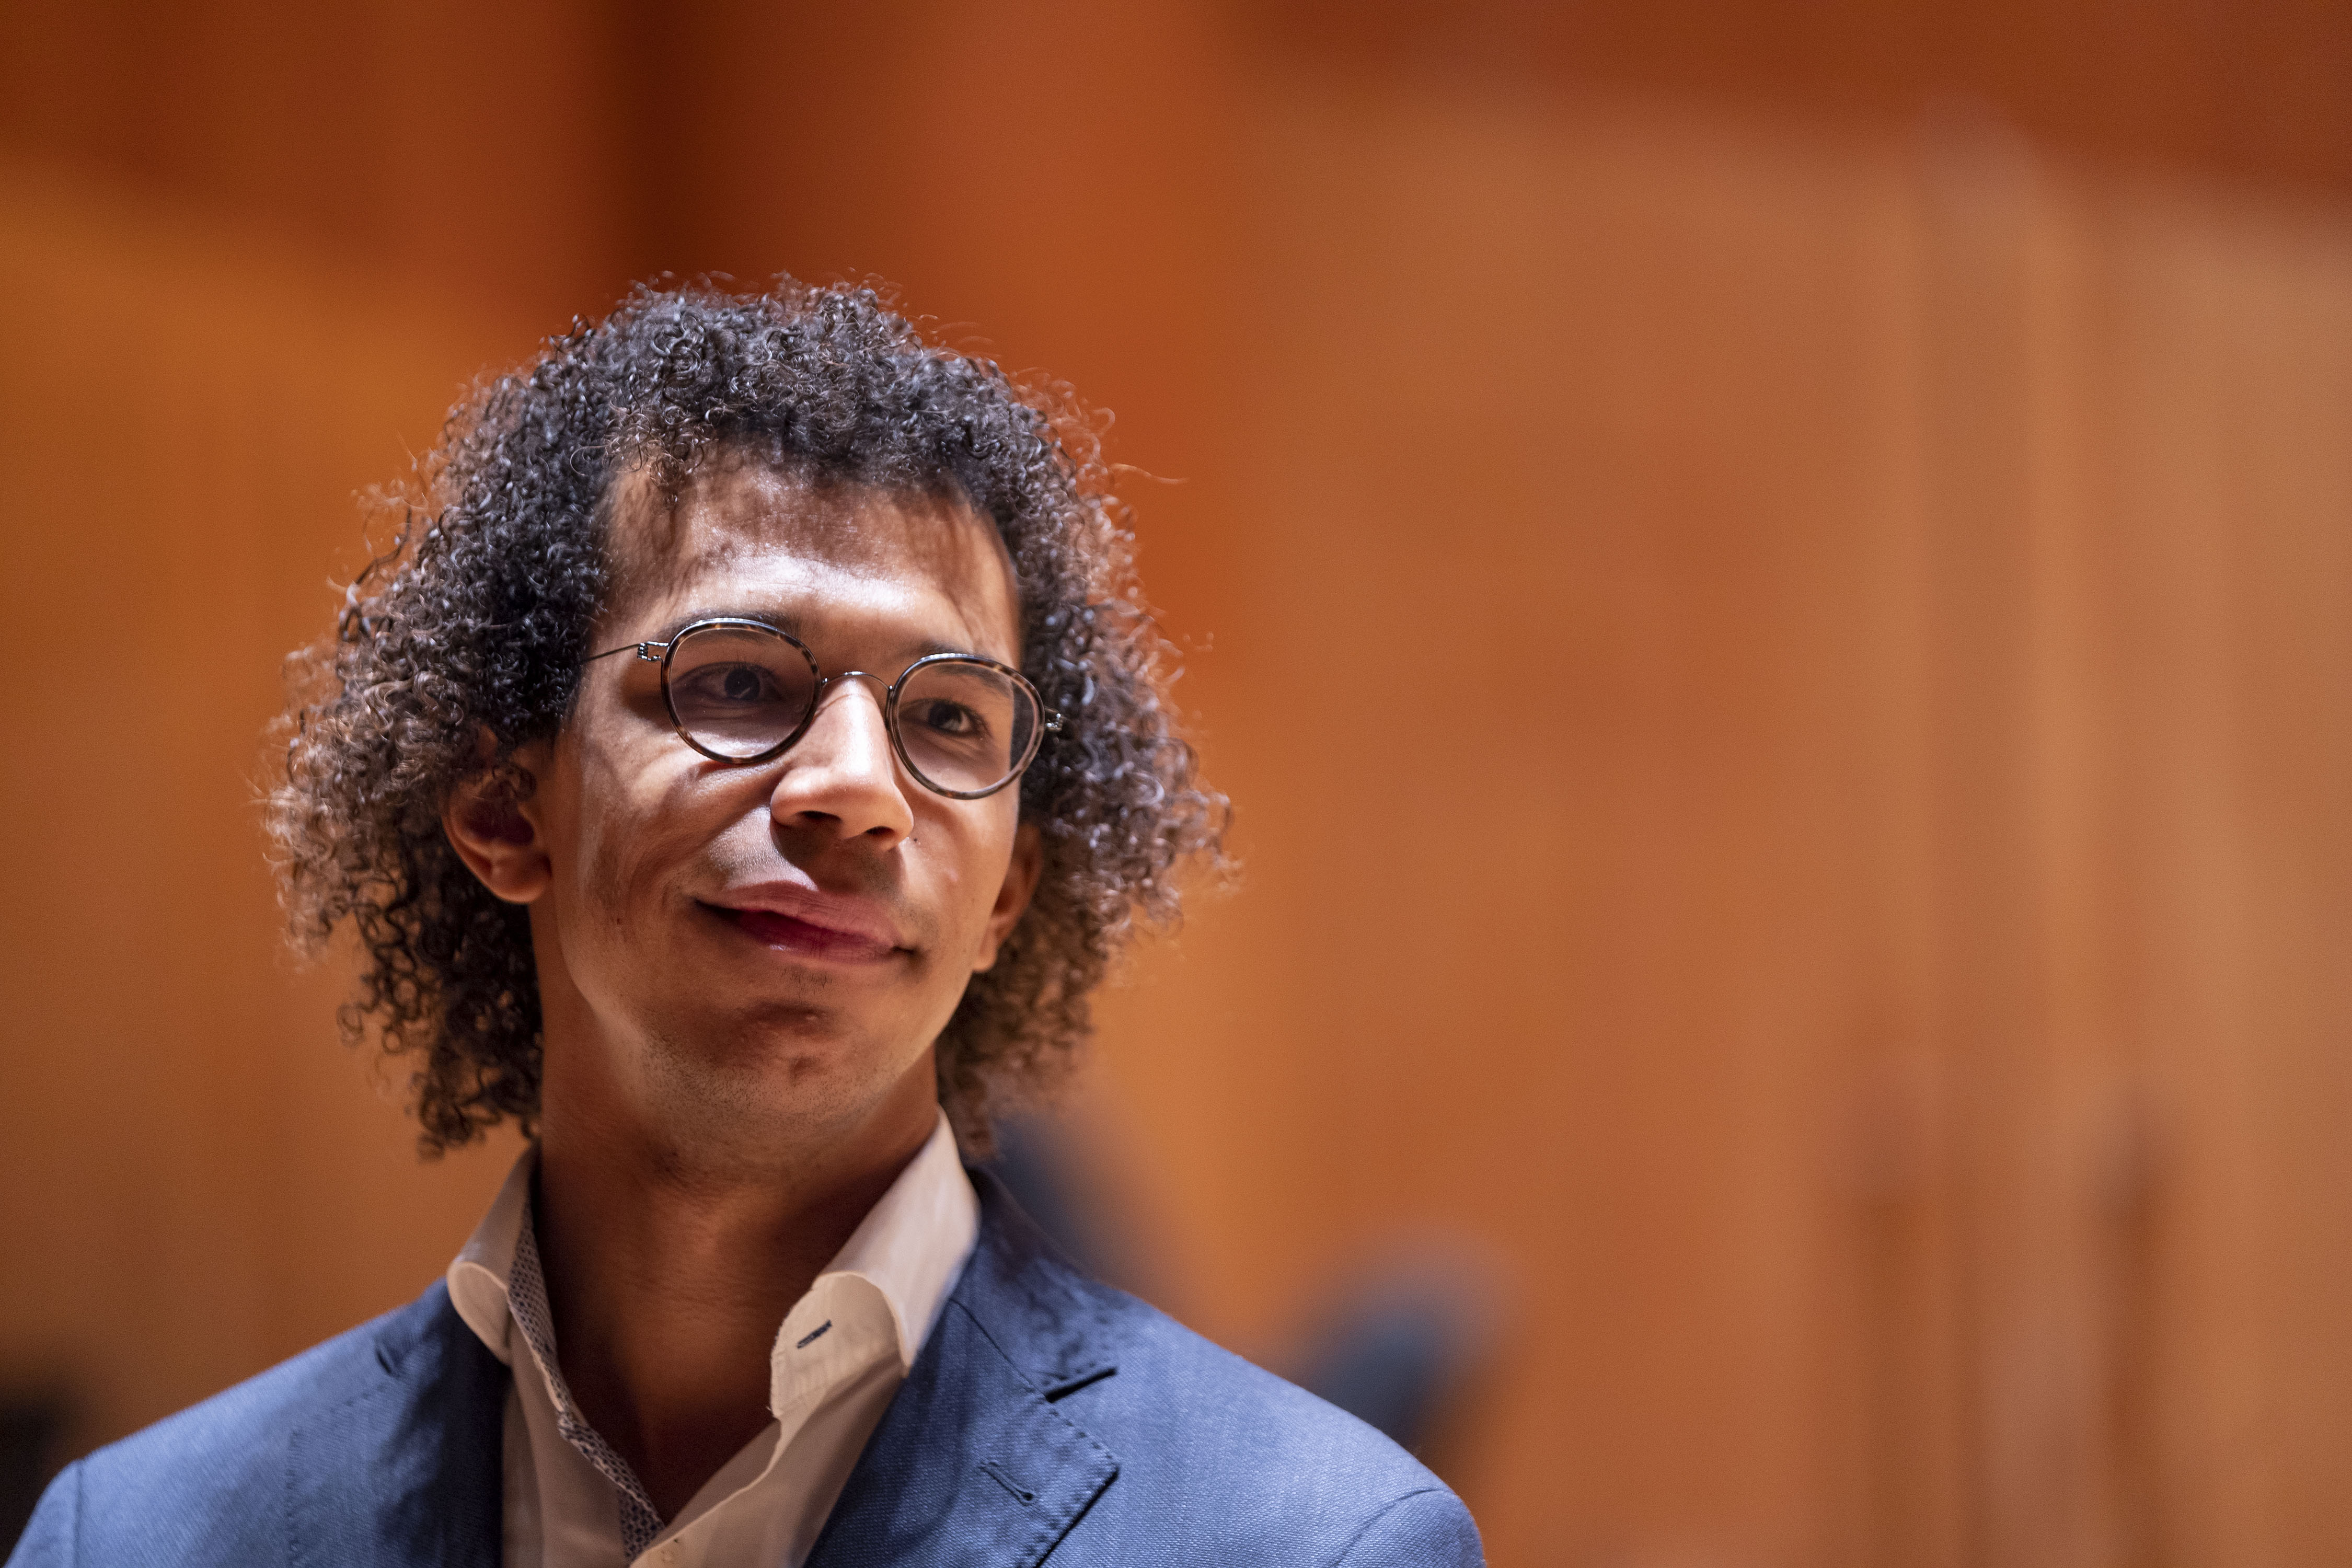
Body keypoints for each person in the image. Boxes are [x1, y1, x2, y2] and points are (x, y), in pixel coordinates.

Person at [7, 283, 1484, 1566]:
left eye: (950, 717)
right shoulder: (132, 1541)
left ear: (1005, 897)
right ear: (505, 811)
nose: (857, 789)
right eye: (733, 682)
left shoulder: (1311, 1545)